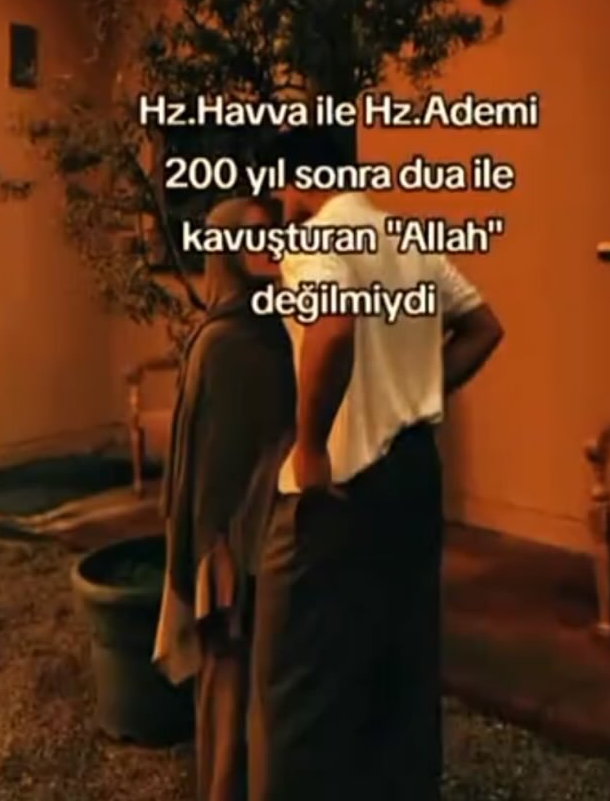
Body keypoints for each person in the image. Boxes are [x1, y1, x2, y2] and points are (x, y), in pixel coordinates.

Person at [248, 127, 505, 801]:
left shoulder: (316, 241)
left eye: (279, 188)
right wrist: (420, 387)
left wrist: (309, 445)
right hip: (413, 471)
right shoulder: (409, 239)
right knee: (402, 657)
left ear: (298, 179)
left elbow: (333, 327)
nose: (279, 203)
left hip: (342, 485)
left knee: (297, 672)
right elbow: (485, 327)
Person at [154, 196, 296, 801]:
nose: (269, 246)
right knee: (228, 684)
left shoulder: (280, 328)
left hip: (280, 531)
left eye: (272, 234)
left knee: (268, 690)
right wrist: (215, 554)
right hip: (231, 548)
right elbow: (208, 465)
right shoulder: (221, 342)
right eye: (253, 236)